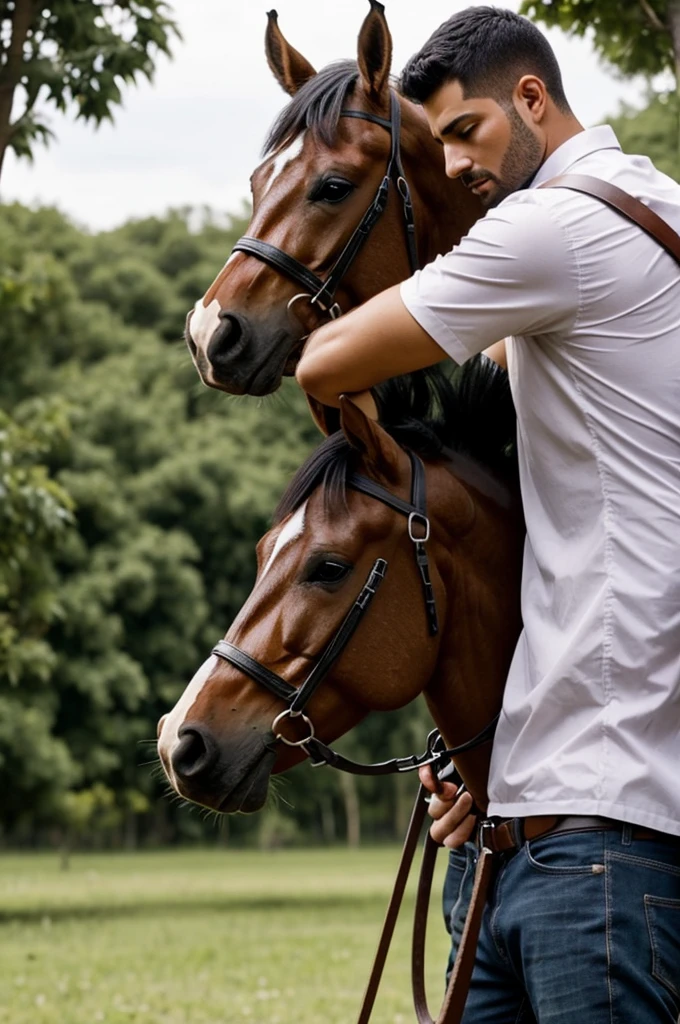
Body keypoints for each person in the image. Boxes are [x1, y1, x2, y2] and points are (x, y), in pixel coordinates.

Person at [295, 6, 680, 1022]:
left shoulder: (550, 225)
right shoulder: (654, 213)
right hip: (549, 807)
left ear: (530, 98)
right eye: (439, 145)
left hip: (594, 829)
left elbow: (323, 361)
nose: (457, 163)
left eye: (464, 131)